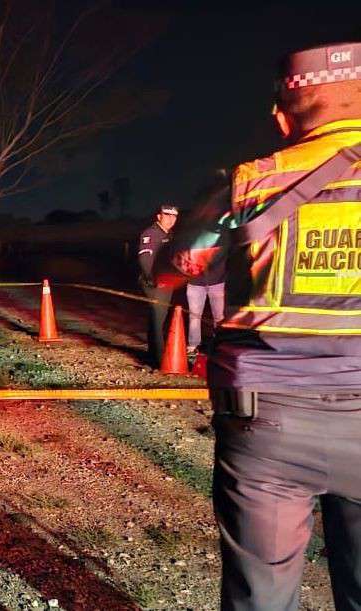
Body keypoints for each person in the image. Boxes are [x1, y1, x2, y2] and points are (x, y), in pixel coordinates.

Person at [166, 41, 361, 610]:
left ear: (282, 115)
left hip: (266, 421)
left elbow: (180, 267)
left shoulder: (250, 182)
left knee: (260, 598)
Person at [137, 204, 179, 366]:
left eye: (174, 216)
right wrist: (154, 279)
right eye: (167, 215)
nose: (171, 219)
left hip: (166, 282)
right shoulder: (151, 234)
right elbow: (145, 259)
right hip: (155, 283)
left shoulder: (171, 235)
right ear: (159, 216)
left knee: (158, 320)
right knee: (157, 319)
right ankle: (159, 360)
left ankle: (153, 355)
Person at [186, 228, 227, 356]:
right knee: (194, 316)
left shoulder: (223, 236)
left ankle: (219, 344)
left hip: (218, 283)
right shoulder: (191, 237)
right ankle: (193, 346)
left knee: (219, 317)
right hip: (195, 284)